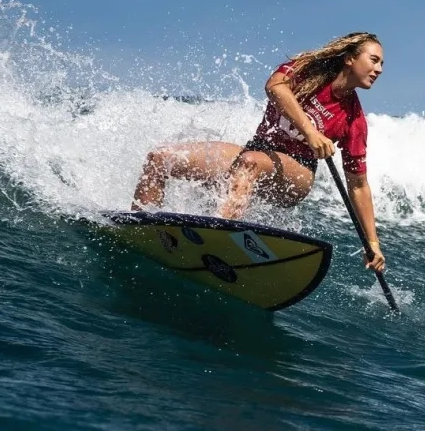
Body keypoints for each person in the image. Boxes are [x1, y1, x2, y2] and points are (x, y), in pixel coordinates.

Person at [131, 32, 386, 272]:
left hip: (298, 173)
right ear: (350, 58)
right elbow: (275, 87)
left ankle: (218, 248)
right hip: (257, 151)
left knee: (250, 162)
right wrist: (311, 132)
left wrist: (372, 244)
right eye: (374, 60)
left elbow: (358, 185)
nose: (379, 70)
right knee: (161, 158)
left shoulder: (354, 120)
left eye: (382, 64)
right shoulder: (307, 69)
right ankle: (137, 231)